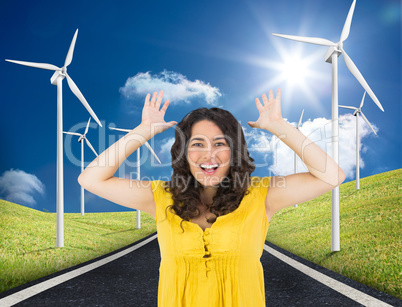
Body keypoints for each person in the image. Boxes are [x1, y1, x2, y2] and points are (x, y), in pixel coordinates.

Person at [78, 89, 345, 306]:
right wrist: (144, 131)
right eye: (197, 144)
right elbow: (90, 179)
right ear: (183, 152)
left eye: (220, 144)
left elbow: (330, 176)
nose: (209, 155)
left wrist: (279, 126)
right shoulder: (159, 196)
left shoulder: (262, 194)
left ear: (234, 151)